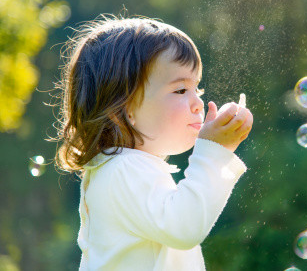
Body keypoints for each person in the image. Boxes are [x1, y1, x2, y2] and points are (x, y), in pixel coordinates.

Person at [51, 15, 253, 270]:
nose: (198, 103)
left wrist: (218, 149)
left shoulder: (123, 168)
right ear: (122, 109)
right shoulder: (124, 171)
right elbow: (185, 227)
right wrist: (214, 152)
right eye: (180, 90)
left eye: (197, 90)